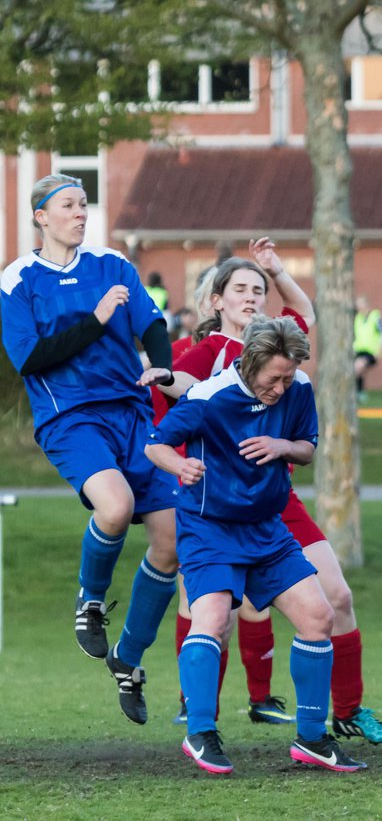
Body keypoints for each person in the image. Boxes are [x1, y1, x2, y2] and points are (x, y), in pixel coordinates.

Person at [159, 243, 382, 743]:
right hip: (216, 504)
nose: (252, 297)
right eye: (241, 288)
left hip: (275, 501)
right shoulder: (208, 355)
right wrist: (165, 381)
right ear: (216, 300)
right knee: (211, 611)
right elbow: (179, 387)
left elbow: (304, 315)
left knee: (333, 598)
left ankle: (346, 712)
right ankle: (200, 714)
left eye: (258, 289)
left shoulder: (282, 349)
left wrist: (278, 270)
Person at [146, 315, 366, 775]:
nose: (281, 387)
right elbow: (156, 445)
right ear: (249, 363)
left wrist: (282, 446)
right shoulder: (208, 397)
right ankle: (201, 732)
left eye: (288, 376)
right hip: (209, 529)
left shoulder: (299, 386)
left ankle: (311, 739)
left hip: (267, 528)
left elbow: (306, 447)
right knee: (212, 620)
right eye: (274, 378)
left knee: (318, 616)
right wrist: (180, 468)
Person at [0, 173, 179, 724]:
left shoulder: (113, 264)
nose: (81, 212)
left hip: (130, 412)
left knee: (172, 539)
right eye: (69, 205)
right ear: (41, 216)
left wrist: (161, 361)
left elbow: (151, 323)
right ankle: (90, 600)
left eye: (83, 203)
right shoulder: (17, 280)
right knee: (116, 506)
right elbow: (30, 359)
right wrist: (96, 319)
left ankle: (128, 655)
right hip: (71, 418)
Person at [353, 295, 382, 402]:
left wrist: (379, 350)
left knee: (358, 367)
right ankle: (360, 393)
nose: (358, 307)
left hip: (371, 352)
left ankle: (357, 393)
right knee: (359, 369)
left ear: (366, 304)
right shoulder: (358, 318)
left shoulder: (375, 316)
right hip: (358, 351)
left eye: (360, 304)